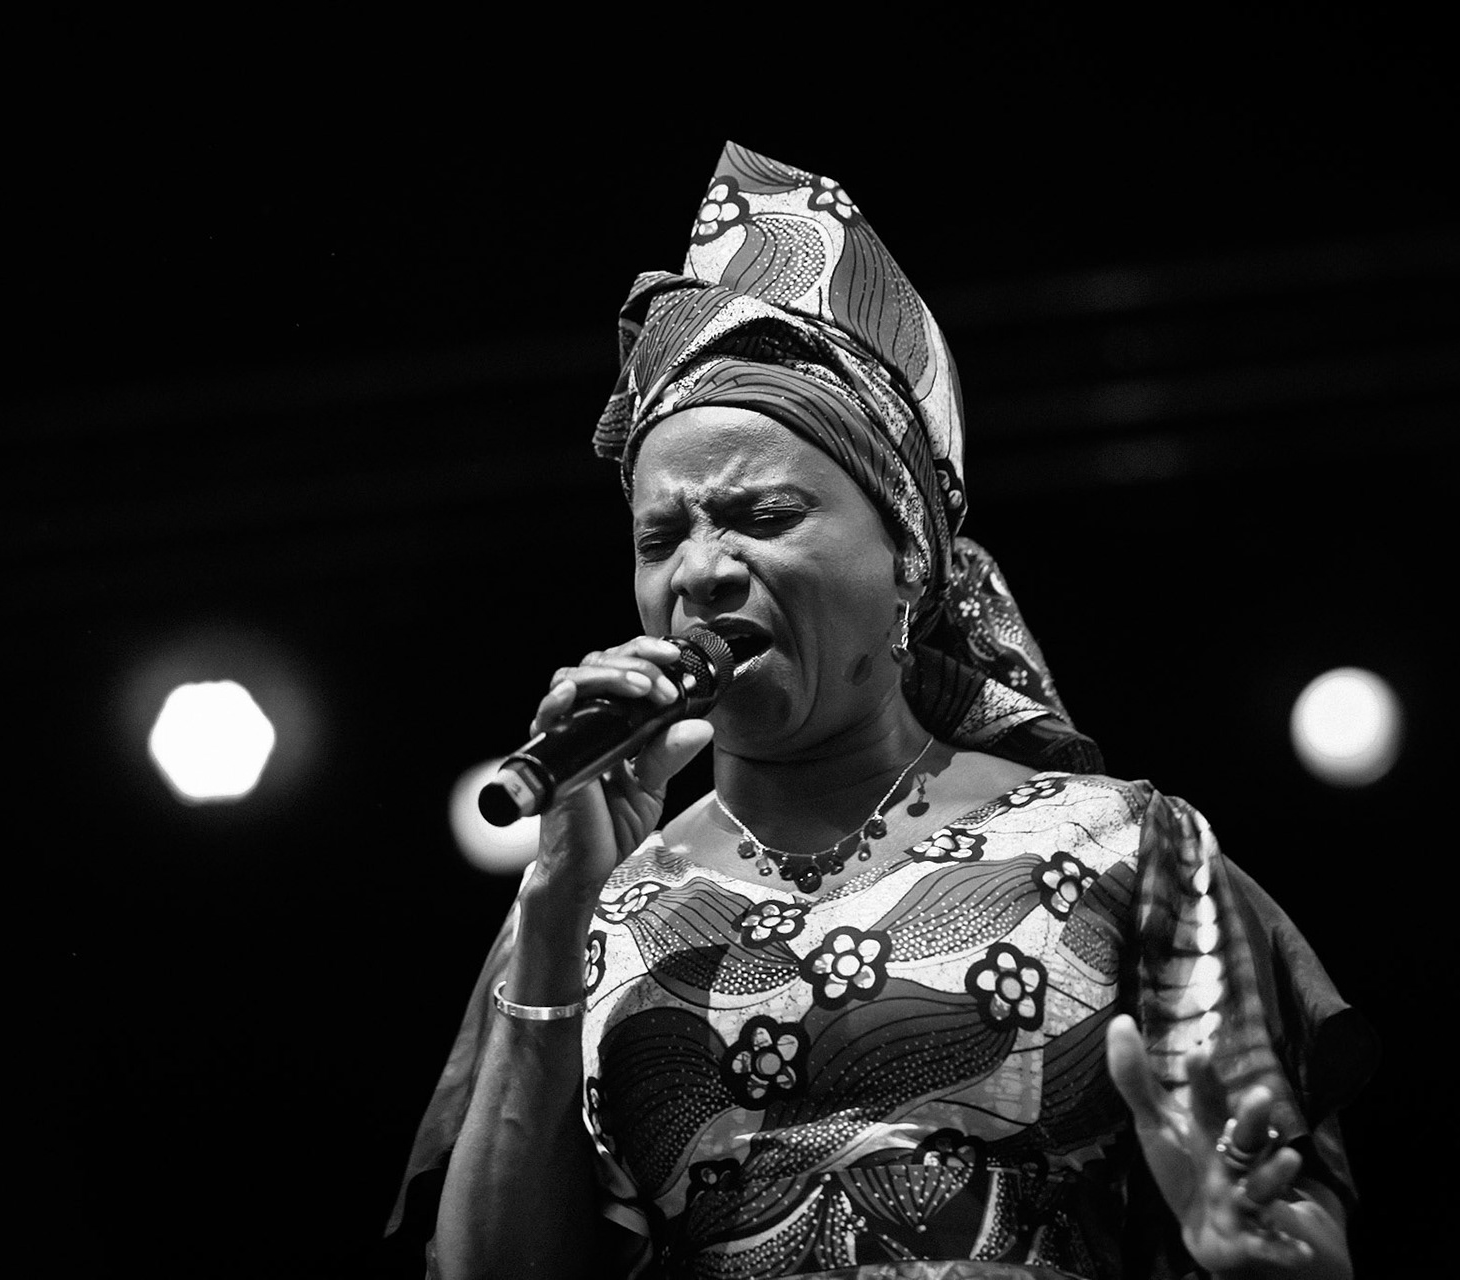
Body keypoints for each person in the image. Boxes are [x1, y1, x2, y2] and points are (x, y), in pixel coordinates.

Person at [390, 142, 1375, 1280]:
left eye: (763, 514)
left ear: (910, 558)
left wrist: (1260, 1258)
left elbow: (1288, 1221)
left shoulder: (1122, 849)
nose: (703, 569)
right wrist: (558, 917)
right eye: (664, 535)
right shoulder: (593, 912)